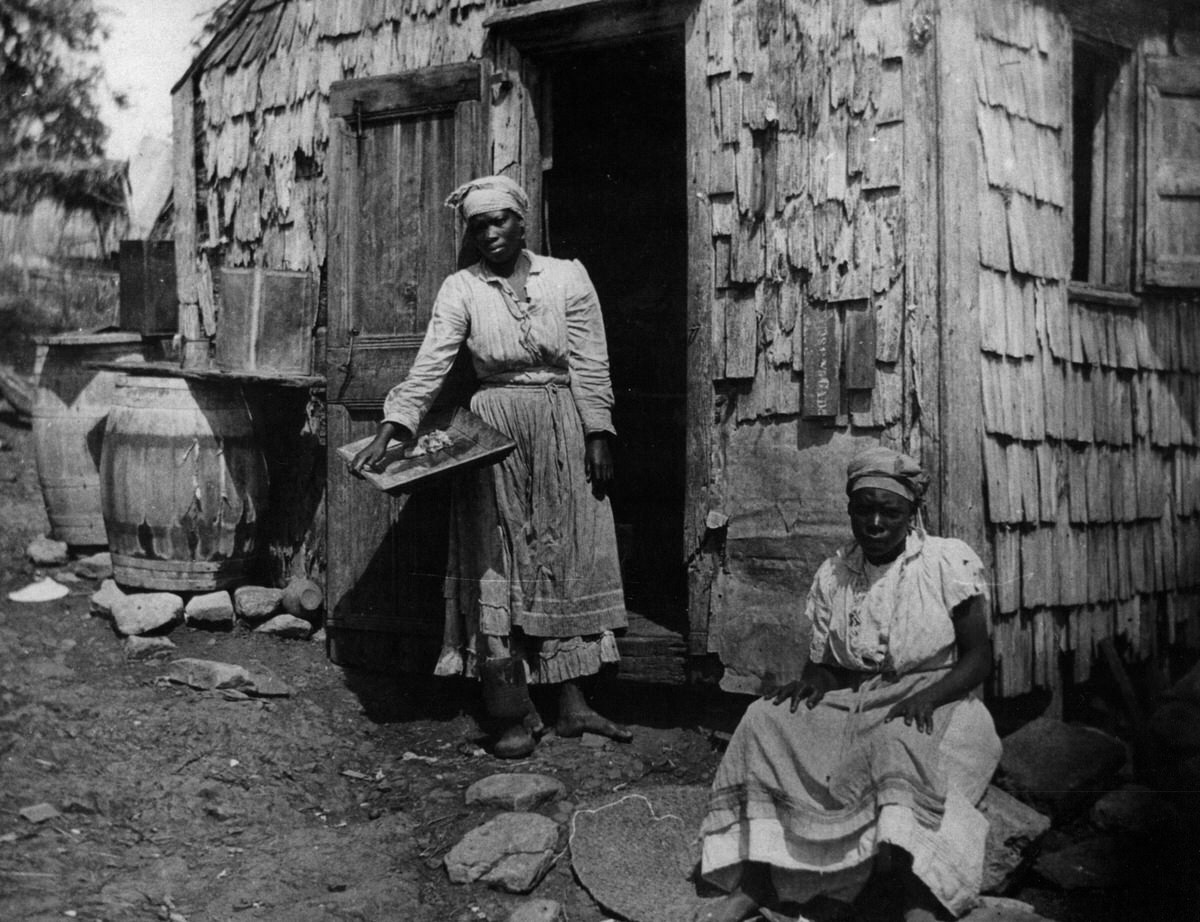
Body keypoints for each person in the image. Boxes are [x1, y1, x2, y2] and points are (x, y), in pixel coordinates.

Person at [349, 174, 631, 759]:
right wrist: (394, 424)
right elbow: (431, 364)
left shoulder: (568, 276)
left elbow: (591, 359)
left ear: (521, 222)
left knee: (567, 553)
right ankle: (513, 711)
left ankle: (575, 705)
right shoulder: (462, 289)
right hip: (495, 428)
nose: (489, 233)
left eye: (499, 220)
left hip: (562, 420)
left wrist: (599, 431)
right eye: (477, 225)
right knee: (499, 557)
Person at [695, 447, 1001, 922]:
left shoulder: (946, 561)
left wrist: (928, 696)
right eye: (865, 510)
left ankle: (918, 895)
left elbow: (979, 656)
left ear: (911, 513)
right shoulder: (835, 573)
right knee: (763, 718)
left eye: (890, 512)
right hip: (854, 698)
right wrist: (811, 683)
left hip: (935, 693)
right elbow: (828, 665)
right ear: (849, 510)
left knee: (895, 742)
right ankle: (760, 880)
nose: (876, 523)